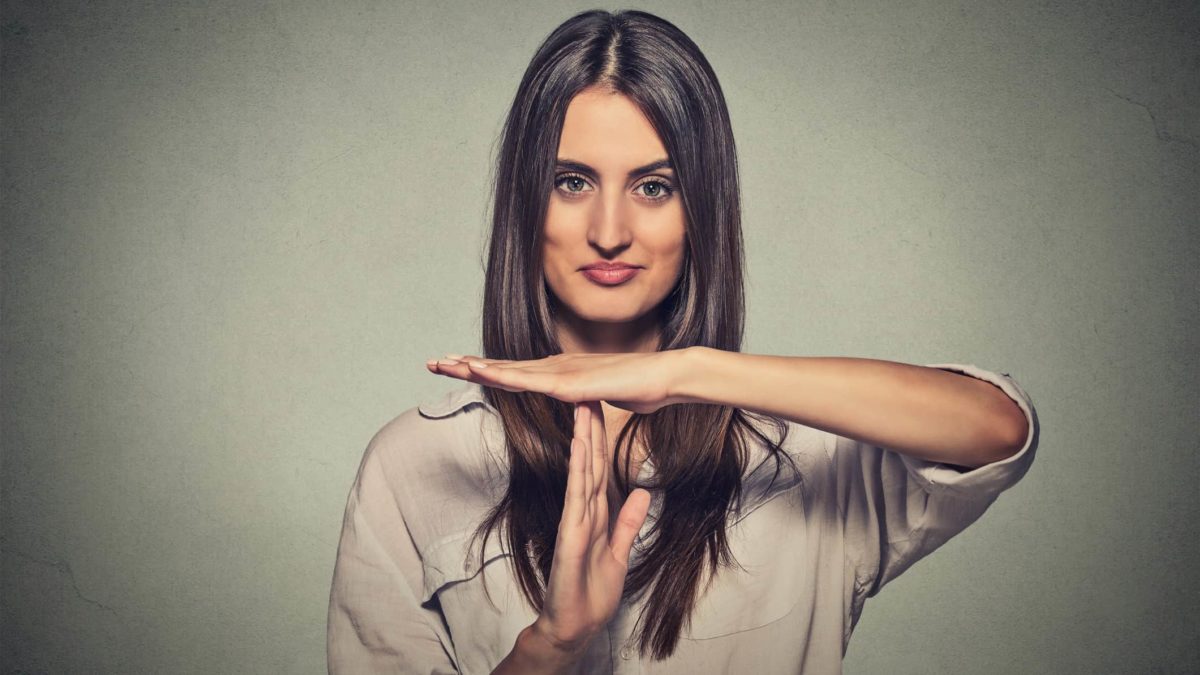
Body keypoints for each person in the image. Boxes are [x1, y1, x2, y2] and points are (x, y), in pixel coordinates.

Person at [326, 9, 1039, 674]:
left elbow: (996, 427)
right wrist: (550, 646)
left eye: (655, 187)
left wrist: (691, 371)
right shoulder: (416, 466)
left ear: (700, 209)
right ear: (525, 202)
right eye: (571, 181)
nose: (610, 230)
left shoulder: (808, 457)